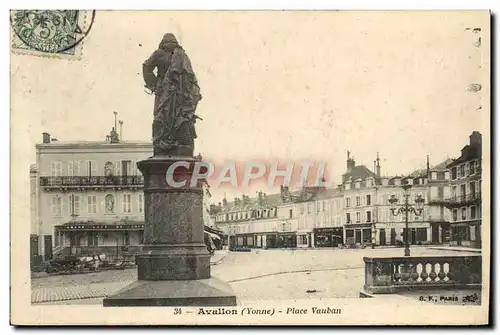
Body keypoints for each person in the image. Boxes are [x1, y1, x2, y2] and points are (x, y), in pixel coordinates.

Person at [143, 33, 202, 156]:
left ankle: (168, 142)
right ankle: (171, 142)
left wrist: (154, 85)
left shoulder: (162, 53)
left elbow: (146, 67)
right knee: (169, 116)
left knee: (165, 116)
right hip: (176, 93)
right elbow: (191, 77)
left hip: (173, 93)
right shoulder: (181, 55)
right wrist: (155, 85)